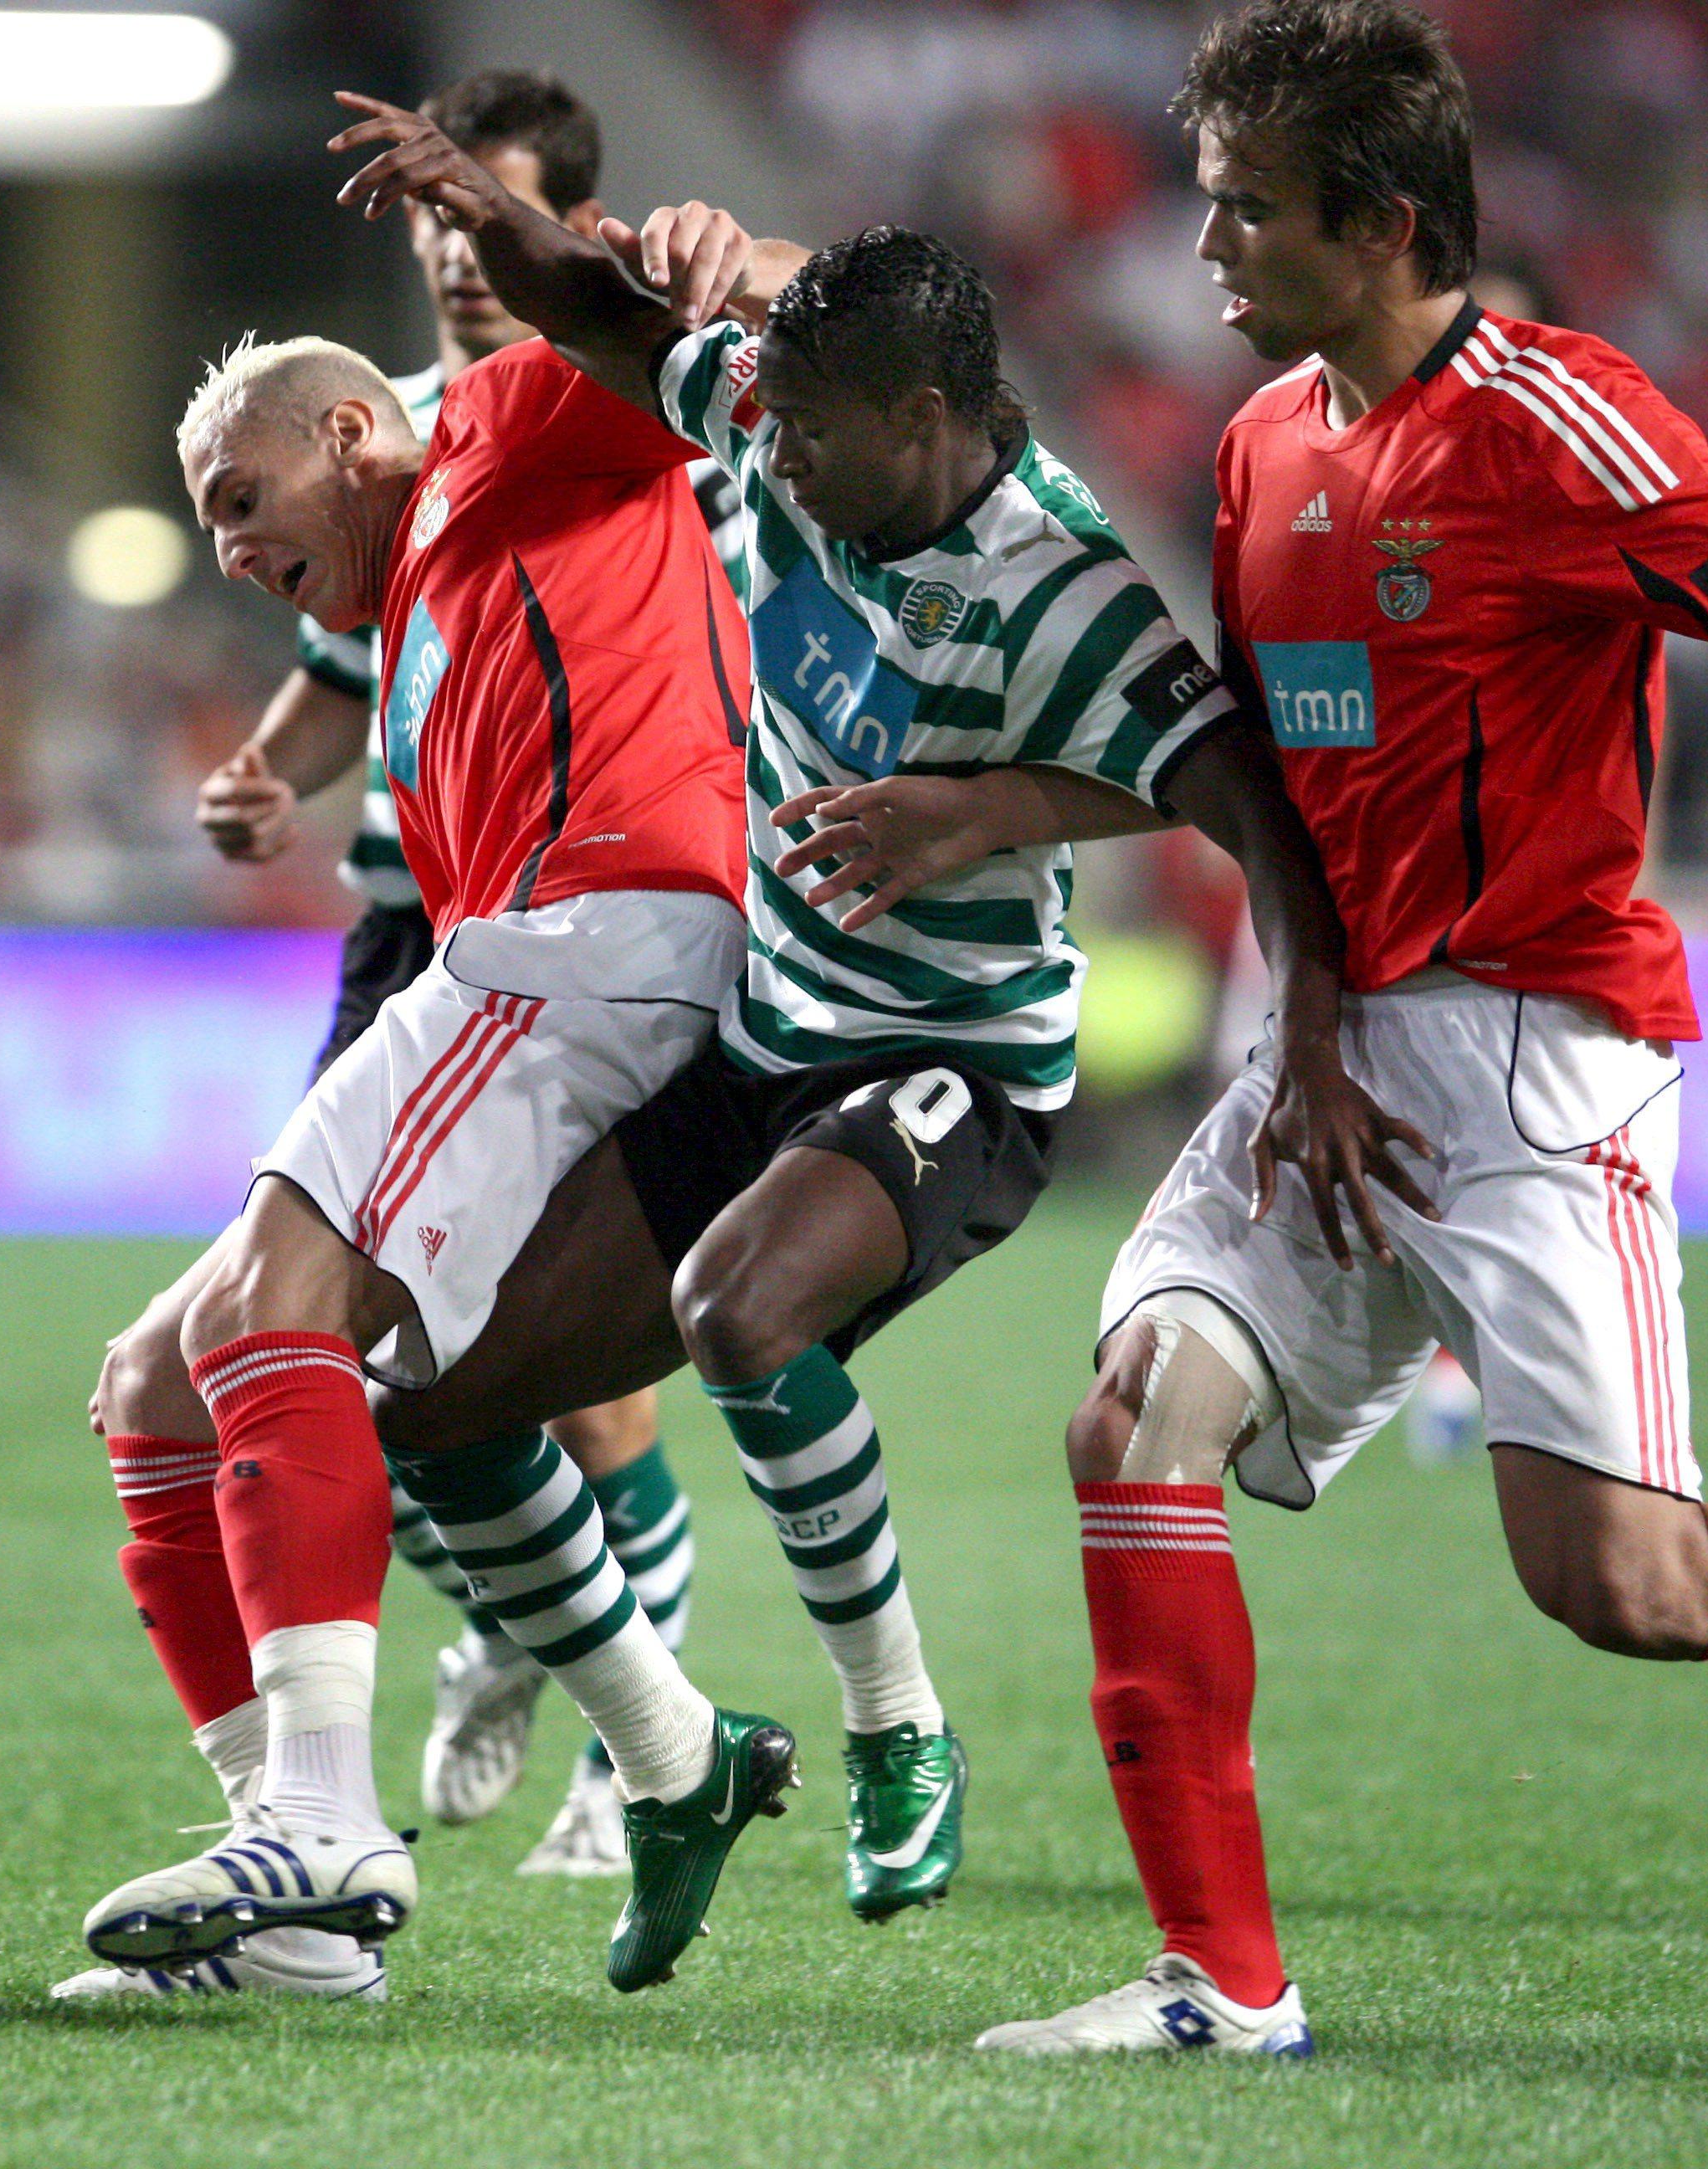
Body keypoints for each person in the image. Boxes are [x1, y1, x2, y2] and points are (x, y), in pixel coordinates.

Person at [972, 0, 1708, 2059]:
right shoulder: (1257, 448)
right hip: (1327, 1051)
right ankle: (1220, 1989)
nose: (1204, 252)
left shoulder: (1553, 421)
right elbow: (1271, 780)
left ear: (1386, 222)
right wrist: (1292, 1013)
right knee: (1135, 1409)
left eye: (1248, 216)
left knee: (1626, 1587)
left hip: (1534, 1062)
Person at [327, 99, 1415, 1989]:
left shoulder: (1057, 585)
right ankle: (676, 1760)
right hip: (763, 1029)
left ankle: (896, 1726)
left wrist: (998, 819)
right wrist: (474, 195)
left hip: (955, 1066)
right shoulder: (773, 408)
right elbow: (590, 299)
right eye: (776, 419)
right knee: (420, 1401)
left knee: (743, 1311)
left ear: (927, 423)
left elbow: (1250, 792)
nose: (778, 459)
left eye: (820, 435)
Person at [114, 74, 742, 1956]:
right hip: (522, 964)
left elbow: (673, 329)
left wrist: (625, 244)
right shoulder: (411, 597)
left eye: (241, 500)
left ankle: (326, 1824)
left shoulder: (501, 425)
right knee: (156, 1387)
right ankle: (312, 1893)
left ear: (349, 428)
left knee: (269, 1315)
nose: (227, 545)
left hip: (591, 943)